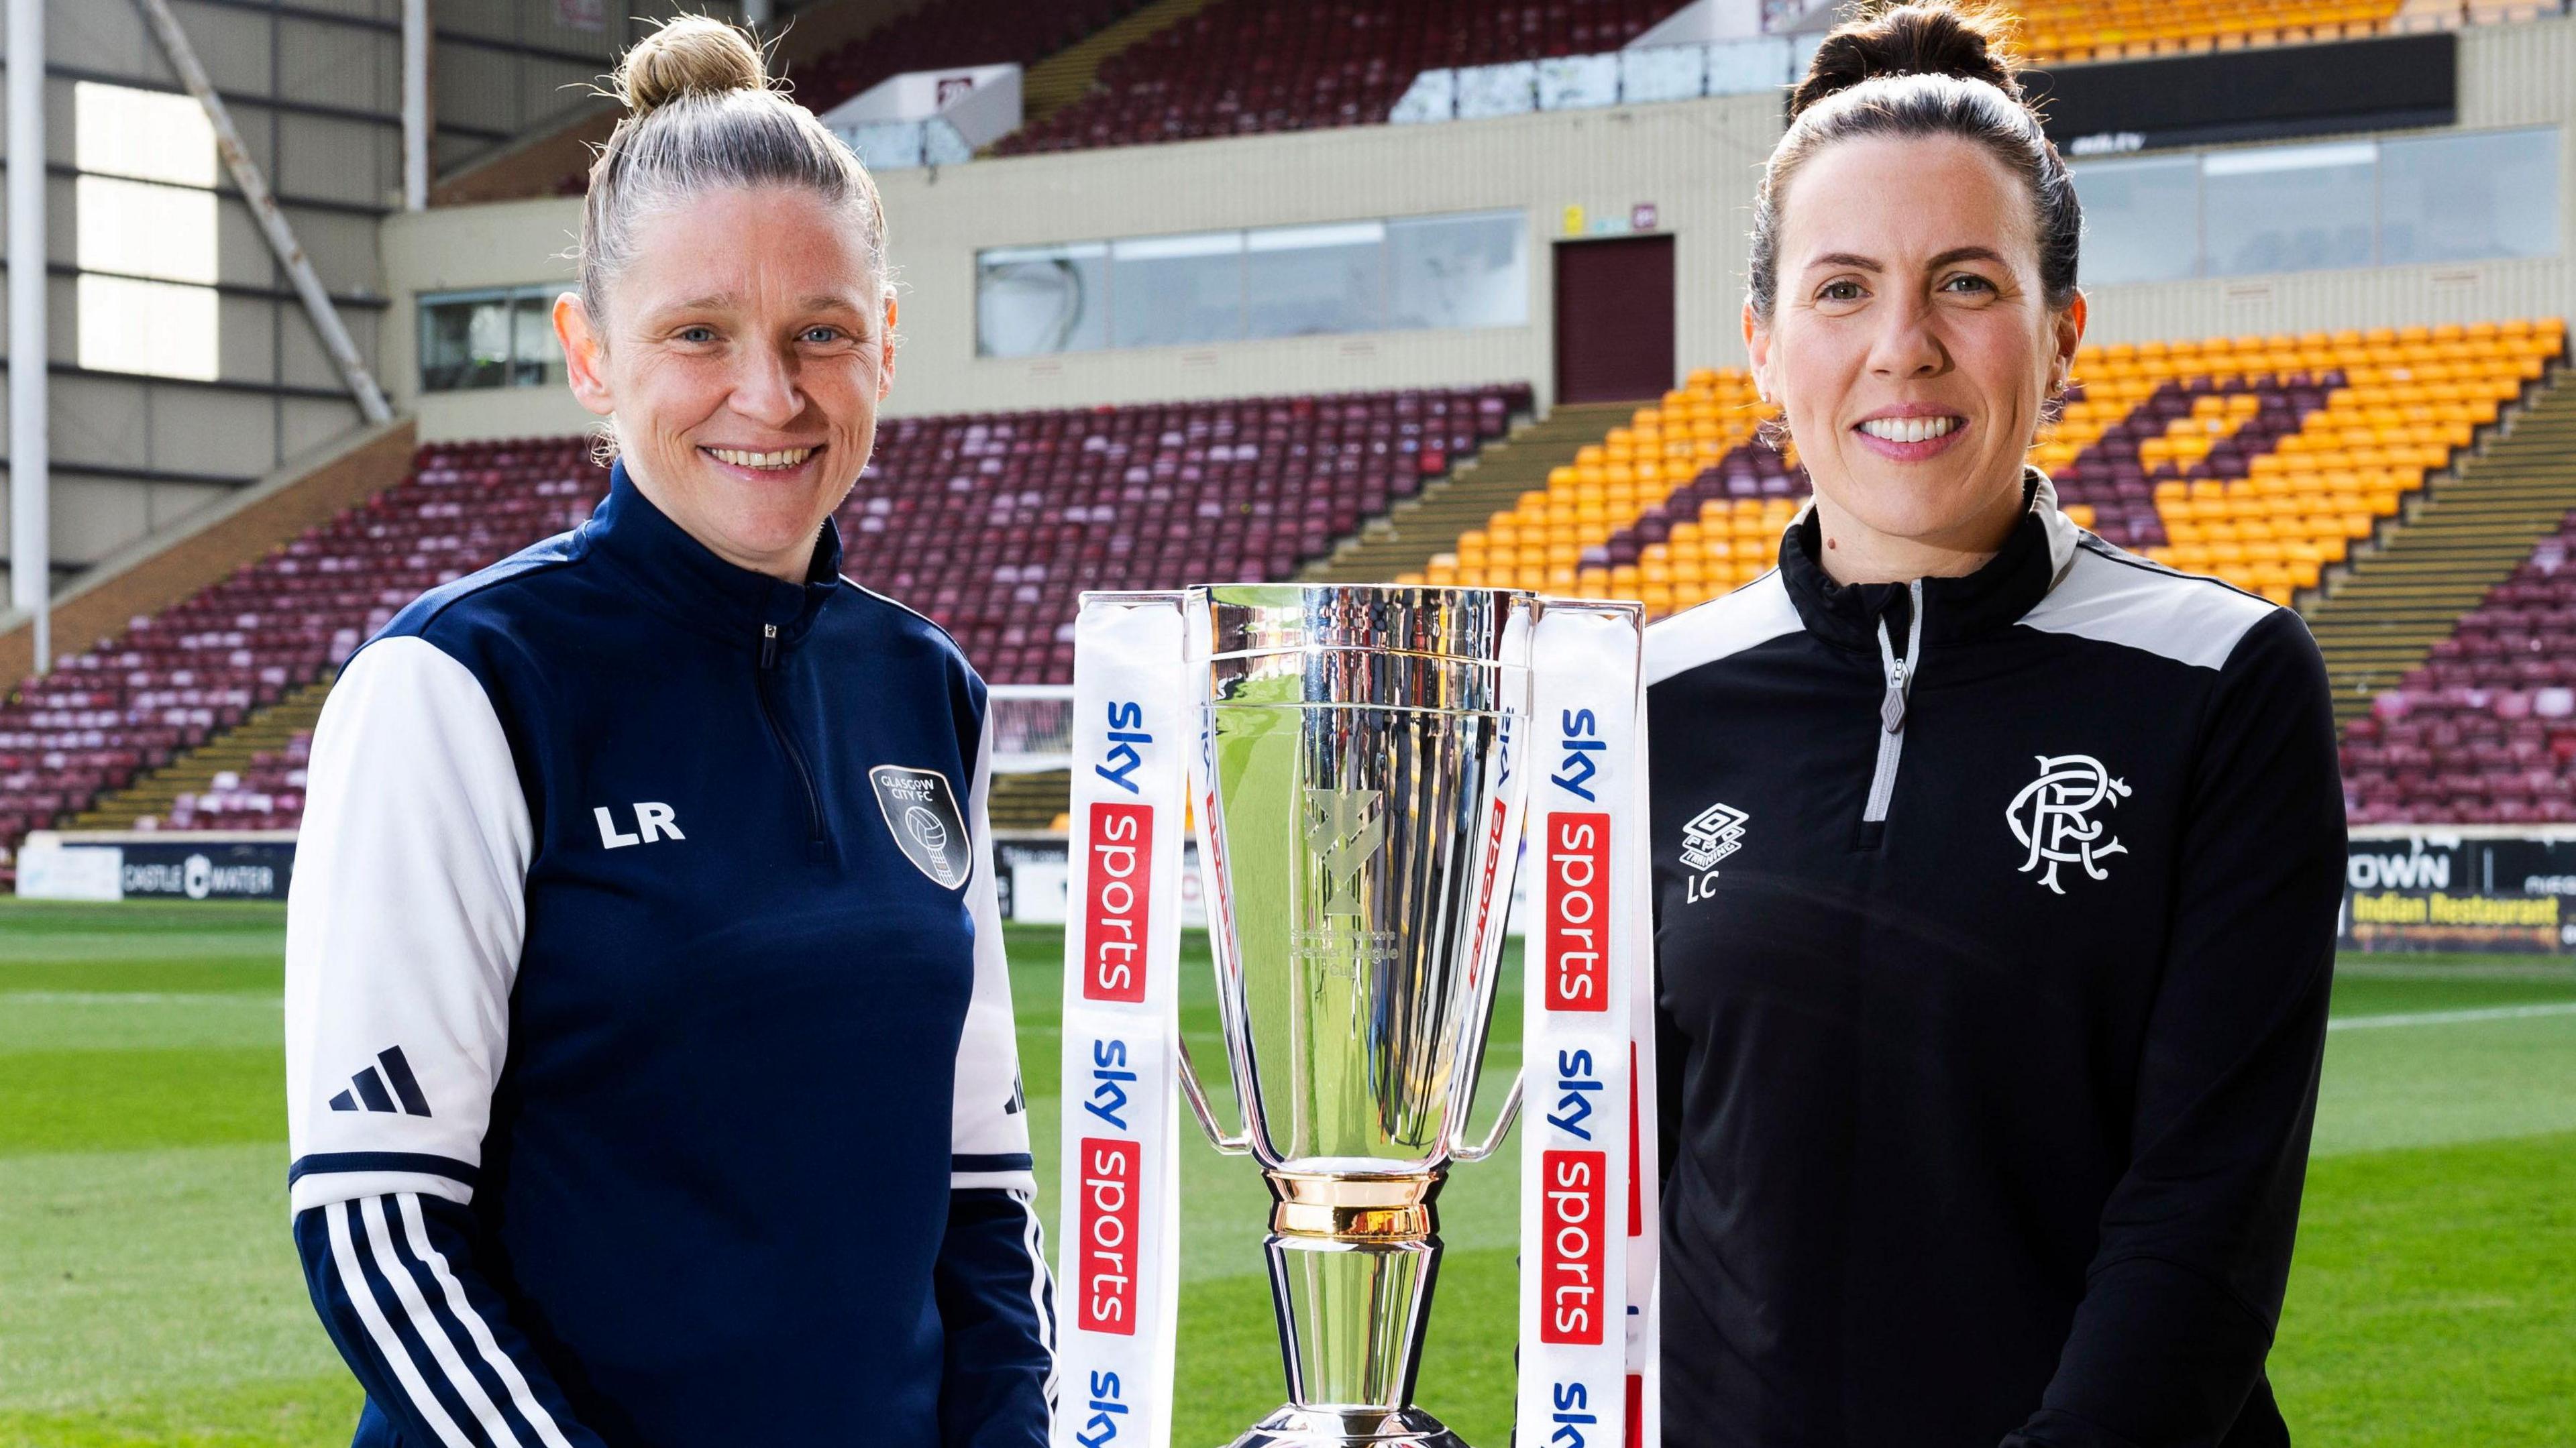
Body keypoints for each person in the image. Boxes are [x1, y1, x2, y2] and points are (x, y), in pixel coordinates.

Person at [282, 18, 1053, 1447]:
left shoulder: (925, 687)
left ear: (886, 341)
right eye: (698, 333)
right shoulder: (458, 683)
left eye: (822, 331)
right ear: (589, 353)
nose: (771, 394)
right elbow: (377, 1231)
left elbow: (982, 1199)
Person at [1644, 6, 2345, 1445]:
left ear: (2063, 333)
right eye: (1842, 290)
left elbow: (2200, 1226)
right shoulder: (1643, 698)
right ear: (1763, 348)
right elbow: (1610, 1201)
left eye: (1966, 282)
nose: (1902, 347)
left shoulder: (2223, 677)